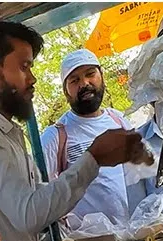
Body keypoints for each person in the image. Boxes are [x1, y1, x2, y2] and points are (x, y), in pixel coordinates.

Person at [0, 20, 150, 241]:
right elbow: (29, 214)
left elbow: (29, 212)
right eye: (24, 67)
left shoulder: (4, 133)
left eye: (31, 67)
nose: (32, 78)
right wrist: (93, 159)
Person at [40, 49, 137, 229]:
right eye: (74, 80)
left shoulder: (120, 122)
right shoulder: (55, 137)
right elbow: (41, 196)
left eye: (90, 74)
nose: (84, 83)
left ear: (102, 76)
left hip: (135, 235)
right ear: (66, 91)